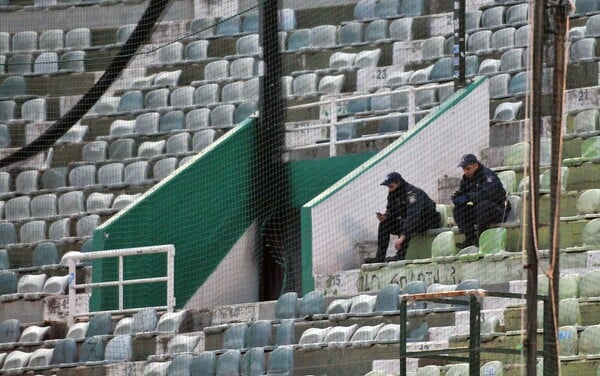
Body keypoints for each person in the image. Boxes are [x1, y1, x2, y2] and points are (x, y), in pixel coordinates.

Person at [366, 172, 440, 264]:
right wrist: (386, 216)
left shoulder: (412, 193)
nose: (389, 189)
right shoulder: (393, 193)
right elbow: (392, 210)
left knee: (405, 223)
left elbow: (413, 215)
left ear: (399, 183)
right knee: (384, 224)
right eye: (388, 187)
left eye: (391, 186)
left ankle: (400, 256)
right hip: (410, 221)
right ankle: (379, 257)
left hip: (428, 220)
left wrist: (402, 236)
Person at [452, 154, 511, 247]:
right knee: (458, 209)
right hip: (480, 211)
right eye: (464, 169)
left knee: (483, 205)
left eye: (468, 168)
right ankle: (470, 239)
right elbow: (458, 196)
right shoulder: (466, 179)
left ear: (476, 165)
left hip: (498, 210)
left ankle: (481, 239)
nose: (465, 172)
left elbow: (486, 195)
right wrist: (459, 199)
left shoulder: (487, 175)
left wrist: (468, 197)